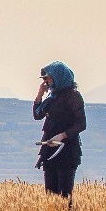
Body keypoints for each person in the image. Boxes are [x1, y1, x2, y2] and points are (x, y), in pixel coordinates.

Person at [32, 61, 86, 202]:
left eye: (48, 79)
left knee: (64, 194)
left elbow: (81, 124)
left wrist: (62, 136)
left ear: (58, 77)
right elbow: (37, 115)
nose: (47, 82)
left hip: (67, 150)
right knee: (50, 194)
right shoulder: (51, 97)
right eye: (45, 79)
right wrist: (39, 95)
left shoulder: (73, 96)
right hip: (50, 149)